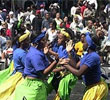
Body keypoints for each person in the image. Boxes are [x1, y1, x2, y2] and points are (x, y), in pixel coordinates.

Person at [13, 31, 68, 100]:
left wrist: (49, 55)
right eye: (43, 40)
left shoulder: (38, 52)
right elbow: (43, 73)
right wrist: (56, 62)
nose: (46, 42)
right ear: (37, 42)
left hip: (36, 84)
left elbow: (48, 66)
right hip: (33, 86)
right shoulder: (35, 54)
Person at [63, 33, 108, 100]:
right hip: (91, 87)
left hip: (96, 89)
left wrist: (65, 65)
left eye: (83, 42)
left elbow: (79, 73)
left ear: (89, 44)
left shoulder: (93, 57)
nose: (81, 44)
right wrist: (69, 52)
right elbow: (76, 66)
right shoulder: (86, 55)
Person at [0, 32, 30, 100]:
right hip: (22, 76)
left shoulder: (16, 50)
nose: (29, 42)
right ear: (22, 42)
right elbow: (28, 66)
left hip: (16, 74)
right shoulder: (22, 53)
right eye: (27, 40)